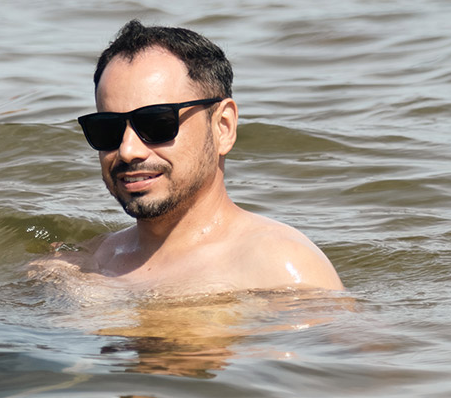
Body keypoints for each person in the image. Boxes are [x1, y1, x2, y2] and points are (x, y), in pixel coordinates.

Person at [45, 20, 341, 294]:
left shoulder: (279, 268)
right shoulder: (84, 265)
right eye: (107, 129)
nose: (128, 150)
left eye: (157, 124)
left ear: (223, 126)